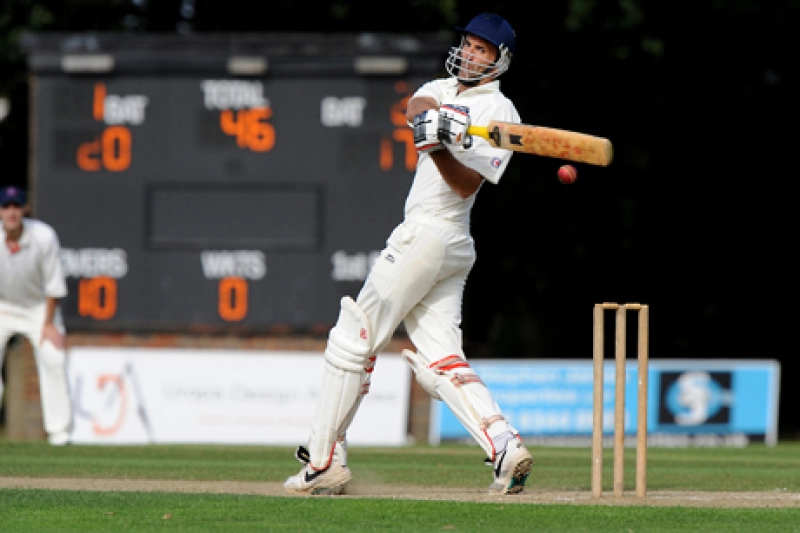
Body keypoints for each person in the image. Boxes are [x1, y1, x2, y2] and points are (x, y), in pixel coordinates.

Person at [284, 12, 532, 495]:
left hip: (430, 233)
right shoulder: (444, 88)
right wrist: (432, 121)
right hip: (449, 247)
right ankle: (504, 445)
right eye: (468, 43)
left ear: (498, 61)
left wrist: (440, 147)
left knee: (353, 336)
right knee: (442, 357)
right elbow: (417, 104)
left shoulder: (500, 112)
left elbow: (465, 186)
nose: (469, 53)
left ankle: (323, 460)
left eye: (481, 49)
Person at [0, 185, 73, 445]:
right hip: (3, 305)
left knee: (54, 357)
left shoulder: (44, 236)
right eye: (6, 207)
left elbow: (54, 284)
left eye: (16, 206)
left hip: (38, 309)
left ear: (25, 209)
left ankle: (59, 432)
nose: (11, 212)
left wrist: (48, 324)